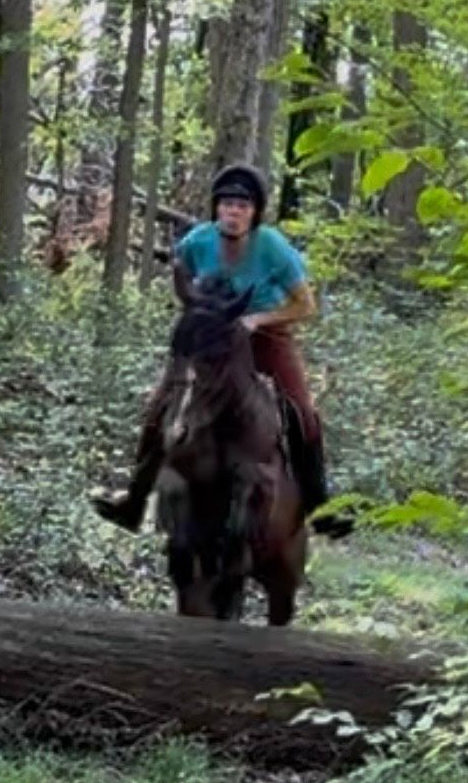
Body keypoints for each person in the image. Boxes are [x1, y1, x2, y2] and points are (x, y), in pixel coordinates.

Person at [93, 162, 348, 536]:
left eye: (242, 206)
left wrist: (257, 319)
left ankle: (319, 507)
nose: (233, 212)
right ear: (217, 208)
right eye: (227, 204)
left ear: (254, 212)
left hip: (265, 333)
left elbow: (305, 306)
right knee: (161, 403)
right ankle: (134, 499)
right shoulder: (197, 241)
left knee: (301, 410)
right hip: (212, 332)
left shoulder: (272, 246)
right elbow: (180, 271)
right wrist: (197, 310)